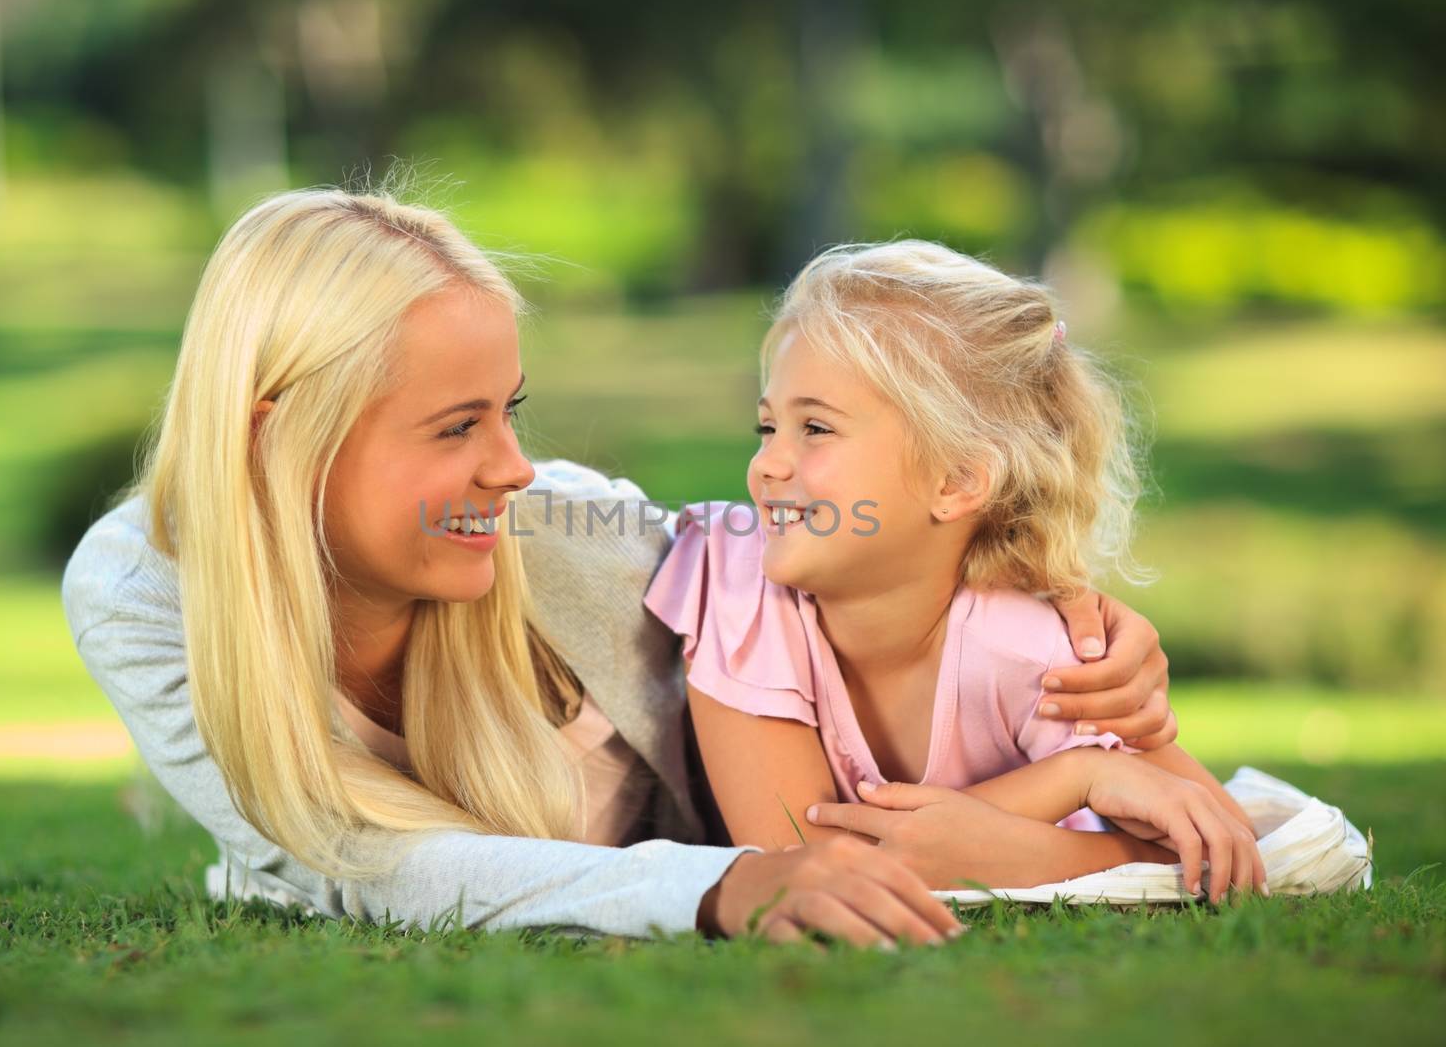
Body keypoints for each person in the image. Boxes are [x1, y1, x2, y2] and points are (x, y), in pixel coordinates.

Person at [62, 188, 1177, 950]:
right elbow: (354, 860)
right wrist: (714, 887)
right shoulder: (140, 593)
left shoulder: (575, 541)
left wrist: (1057, 611)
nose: (510, 467)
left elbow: (841, 565)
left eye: (512, 412)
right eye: (455, 426)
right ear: (277, 437)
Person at [645, 239, 1265, 905]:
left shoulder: (1031, 649)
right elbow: (800, 862)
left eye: (816, 429)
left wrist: (1028, 826)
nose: (767, 465)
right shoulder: (740, 586)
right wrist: (1072, 780)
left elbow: (1230, 844)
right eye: (768, 427)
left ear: (958, 481)